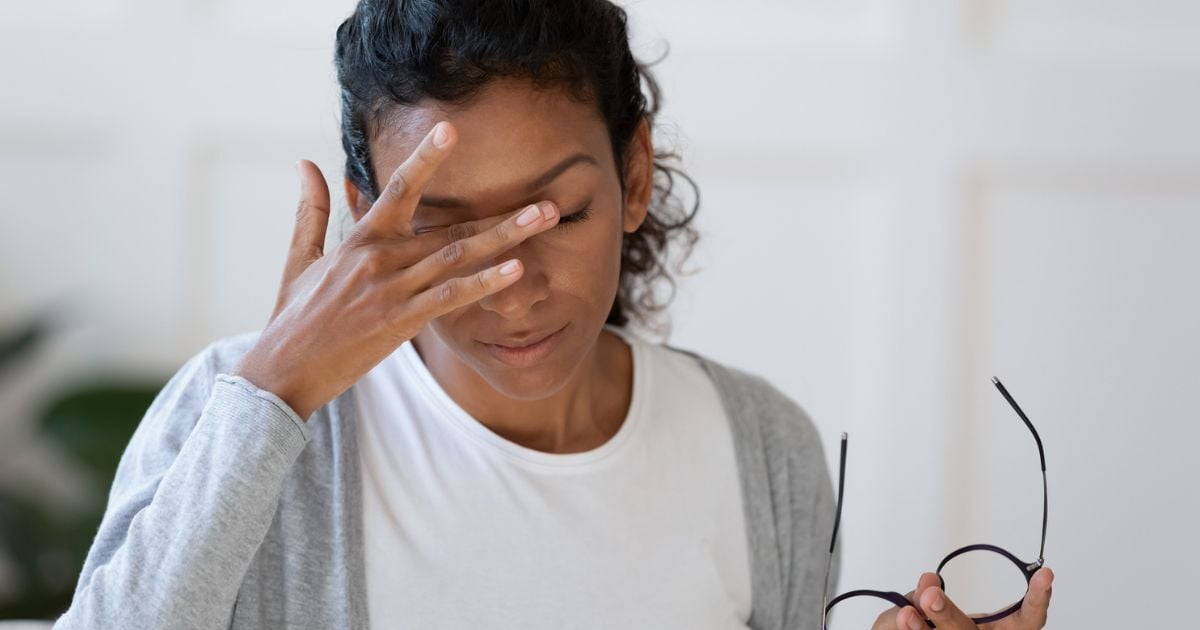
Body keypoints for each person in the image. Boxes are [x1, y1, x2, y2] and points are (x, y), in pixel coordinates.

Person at [54, 1, 1053, 629]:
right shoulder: (247, 424)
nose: (514, 285)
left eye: (560, 214)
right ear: (368, 220)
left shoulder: (762, 449)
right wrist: (272, 394)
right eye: (446, 229)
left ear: (634, 170)